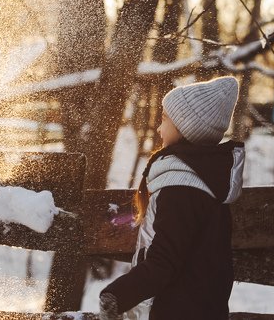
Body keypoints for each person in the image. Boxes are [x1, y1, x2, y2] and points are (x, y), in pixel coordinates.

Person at [99, 76, 245, 320]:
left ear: (185, 128)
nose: (158, 128)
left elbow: (164, 260)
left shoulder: (182, 191)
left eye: (165, 119)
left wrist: (118, 295)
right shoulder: (203, 182)